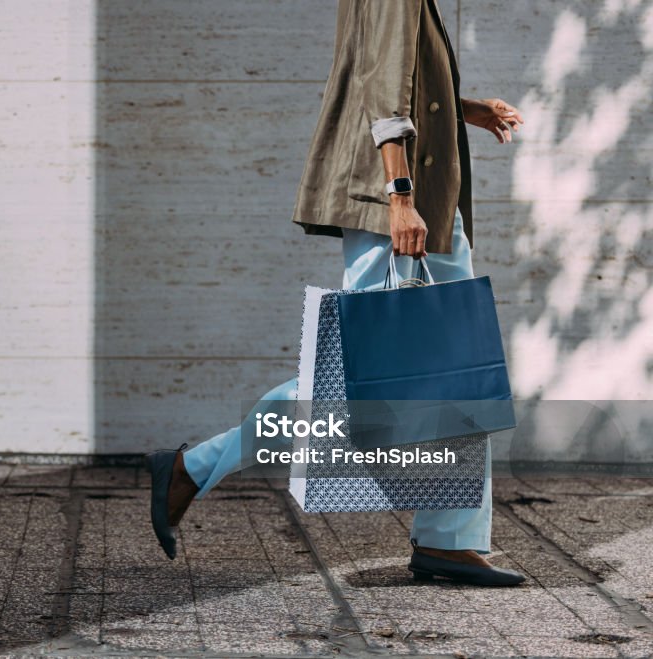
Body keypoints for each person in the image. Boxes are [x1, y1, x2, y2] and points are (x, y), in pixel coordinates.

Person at [146, 0, 527, 587]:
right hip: (398, 201)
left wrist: (460, 108)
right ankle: (192, 468)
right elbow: (379, 82)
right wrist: (400, 197)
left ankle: (449, 540)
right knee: (359, 380)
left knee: (459, 367)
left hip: (430, 196)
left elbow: (400, 78)